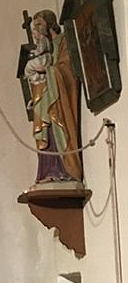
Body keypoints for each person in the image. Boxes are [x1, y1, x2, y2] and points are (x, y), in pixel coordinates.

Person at [29, 10, 82, 184]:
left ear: (50, 23)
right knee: (47, 133)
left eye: (39, 24)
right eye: (35, 25)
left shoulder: (64, 41)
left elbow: (68, 69)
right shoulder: (44, 48)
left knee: (58, 131)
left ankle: (64, 172)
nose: (36, 28)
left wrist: (49, 70)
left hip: (59, 100)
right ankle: (48, 172)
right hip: (46, 98)